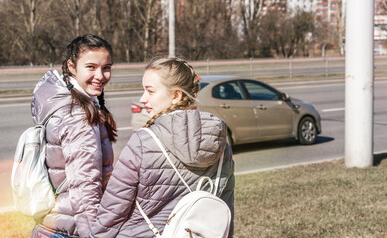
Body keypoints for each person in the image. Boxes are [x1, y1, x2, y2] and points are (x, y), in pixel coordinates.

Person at [90, 57, 235, 237]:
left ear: (176, 95)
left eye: (150, 91)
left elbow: (113, 211)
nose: (143, 99)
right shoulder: (221, 146)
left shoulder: (142, 142)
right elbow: (224, 209)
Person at [30, 34, 117, 238]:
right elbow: (85, 188)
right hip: (71, 230)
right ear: (71, 66)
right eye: (91, 67)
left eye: (106, 67)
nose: (100, 75)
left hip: (52, 226)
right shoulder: (78, 116)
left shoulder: (63, 102)